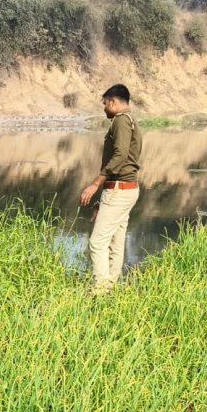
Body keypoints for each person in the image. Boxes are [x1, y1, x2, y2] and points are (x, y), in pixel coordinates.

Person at [78, 83, 142, 291]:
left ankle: (100, 291)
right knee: (115, 242)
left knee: (97, 242)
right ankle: (110, 289)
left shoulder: (121, 121)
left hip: (120, 190)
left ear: (113, 101)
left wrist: (95, 184)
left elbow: (120, 154)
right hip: (124, 189)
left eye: (105, 103)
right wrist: (102, 199)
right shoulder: (130, 121)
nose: (104, 107)